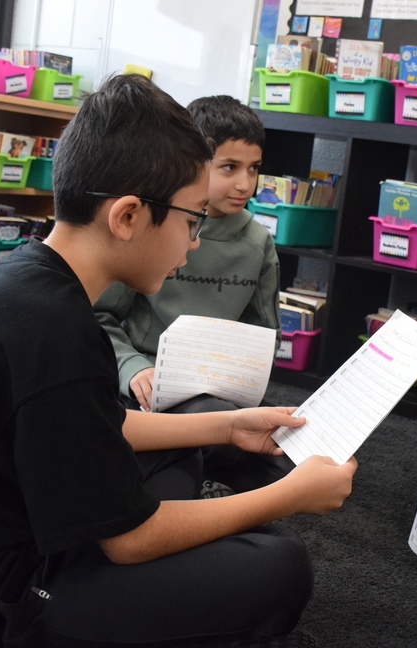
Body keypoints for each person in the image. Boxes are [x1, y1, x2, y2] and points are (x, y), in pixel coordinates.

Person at [0, 73, 357, 648]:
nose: (194, 242)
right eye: (191, 220)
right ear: (127, 216)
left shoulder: (33, 279)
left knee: (182, 451)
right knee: (279, 566)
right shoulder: (54, 330)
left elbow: (100, 422)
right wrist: (290, 496)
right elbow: (130, 540)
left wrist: (228, 424)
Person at [93, 94, 286, 495]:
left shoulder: (257, 242)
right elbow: (99, 318)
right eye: (229, 168)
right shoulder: (155, 225)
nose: (244, 184)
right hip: (150, 384)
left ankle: (210, 474)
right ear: (194, 165)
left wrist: (247, 386)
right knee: (209, 434)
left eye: (254, 169)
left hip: (223, 389)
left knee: (286, 459)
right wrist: (132, 370)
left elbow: (264, 330)